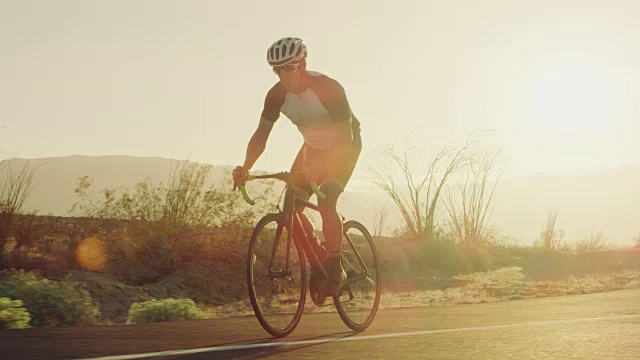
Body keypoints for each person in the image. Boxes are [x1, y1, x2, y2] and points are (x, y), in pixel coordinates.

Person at [233, 37, 362, 297]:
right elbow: (261, 135)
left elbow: (344, 138)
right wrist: (245, 166)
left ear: (302, 64)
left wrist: (323, 165)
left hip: (344, 145)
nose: (283, 75)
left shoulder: (328, 88)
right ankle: (318, 259)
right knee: (291, 205)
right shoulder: (276, 95)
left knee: (327, 201)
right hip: (312, 147)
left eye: (288, 68)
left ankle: (336, 268)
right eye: (277, 70)